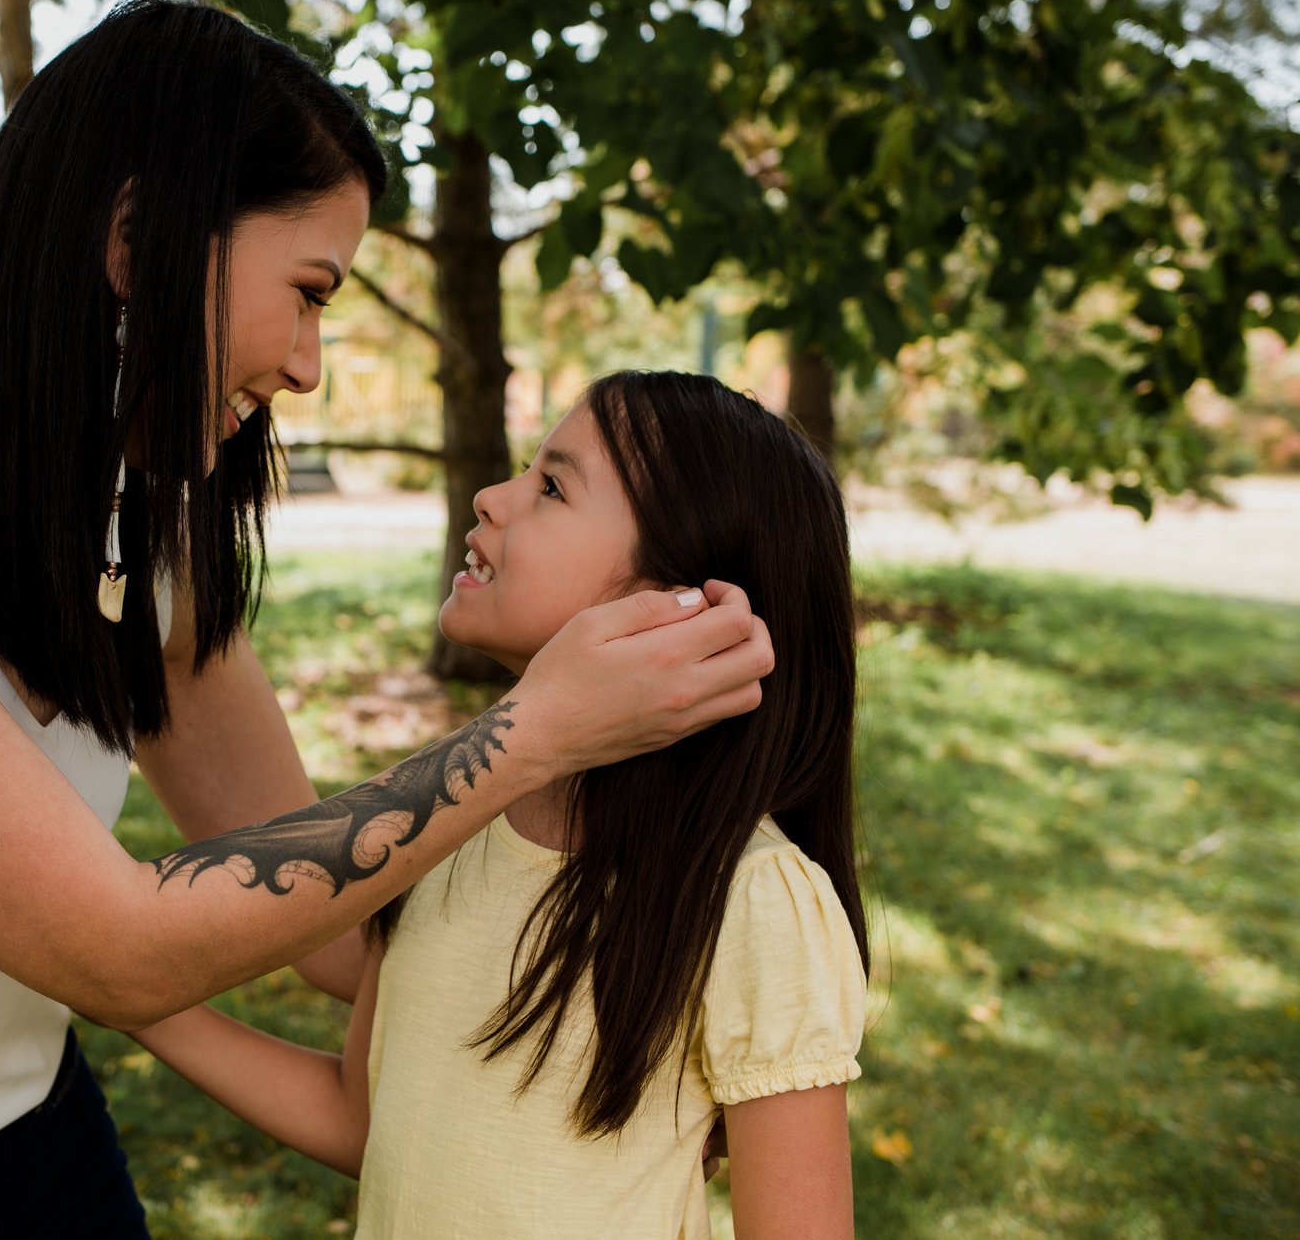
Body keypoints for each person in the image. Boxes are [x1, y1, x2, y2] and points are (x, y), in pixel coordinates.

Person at [0, 0, 775, 1240]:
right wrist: (527, 734)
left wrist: (687, 967)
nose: (304, 366)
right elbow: (114, 949)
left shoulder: (135, 517)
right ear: (133, 240)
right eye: (309, 291)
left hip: (26, 1144)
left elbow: (321, 914)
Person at [132, 369, 866, 1239]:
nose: (490, 496)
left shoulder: (750, 901)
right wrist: (132, 989)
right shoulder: (447, 824)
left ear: (678, 611)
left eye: (551, 486)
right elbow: (362, 1117)